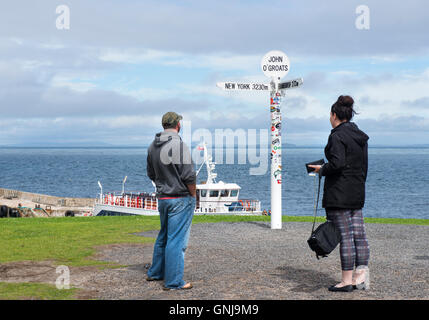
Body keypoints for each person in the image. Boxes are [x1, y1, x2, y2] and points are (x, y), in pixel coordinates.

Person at [309, 95, 370, 293]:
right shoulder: (360, 136)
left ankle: (346, 281)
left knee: (345, 236)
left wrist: (321, 169)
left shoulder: (336, 136)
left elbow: (337, 163)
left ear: (334, 115)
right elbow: (363, 167)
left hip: (339, 194)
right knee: (359, 236)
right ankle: (360, 277)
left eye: (330, 114)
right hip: (356, 192)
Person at [146, 111, 197, 290]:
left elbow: (151, 173)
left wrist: (163, 184)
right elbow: (189, 175)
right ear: (178, 125)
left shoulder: (153, 146)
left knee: (164, 236)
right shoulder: (179, 145)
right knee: (176, 240)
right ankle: (173, 281)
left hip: (163, 198)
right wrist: (193, 195)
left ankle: (155, 272)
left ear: (163, 125)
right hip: (180, 198)